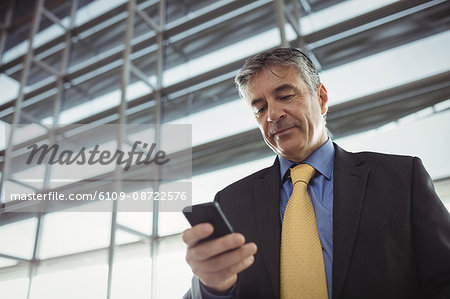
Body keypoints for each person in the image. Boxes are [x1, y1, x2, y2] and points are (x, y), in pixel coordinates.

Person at [182, 48, 450, 299]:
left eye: (285, 96)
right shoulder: (231, 203)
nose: (273, 115)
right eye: (260, 108)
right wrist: (212, 287)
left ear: (321, 98)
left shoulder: (402, 178)